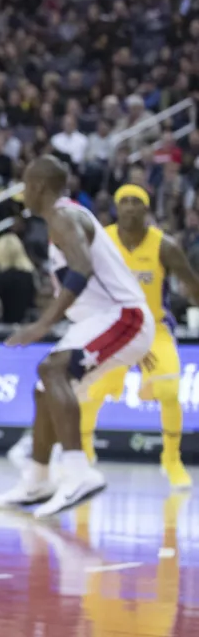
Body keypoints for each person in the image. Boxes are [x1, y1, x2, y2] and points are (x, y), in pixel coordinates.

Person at [0, 156, 155, 518]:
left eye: (25, 186)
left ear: (38, 187)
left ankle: (79, 473)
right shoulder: (63, 219)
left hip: (123, 315)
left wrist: (42, 325)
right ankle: (38, 478)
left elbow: (81, 268)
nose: (23, 194)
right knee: (45, 388)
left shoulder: (63, 216)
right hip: (100, 319)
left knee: (53, 370)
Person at [84, 185, 198, 487]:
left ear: (147, 210)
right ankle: (83, 456)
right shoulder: (100, 240)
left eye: (137, 202)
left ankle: (171, 460)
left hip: (153, 329)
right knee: (87, 393)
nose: (131, 207)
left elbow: (191, 284)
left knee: (171, 392)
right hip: (113, 328)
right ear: (116, 208)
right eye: (125, 202)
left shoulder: (165, 246)